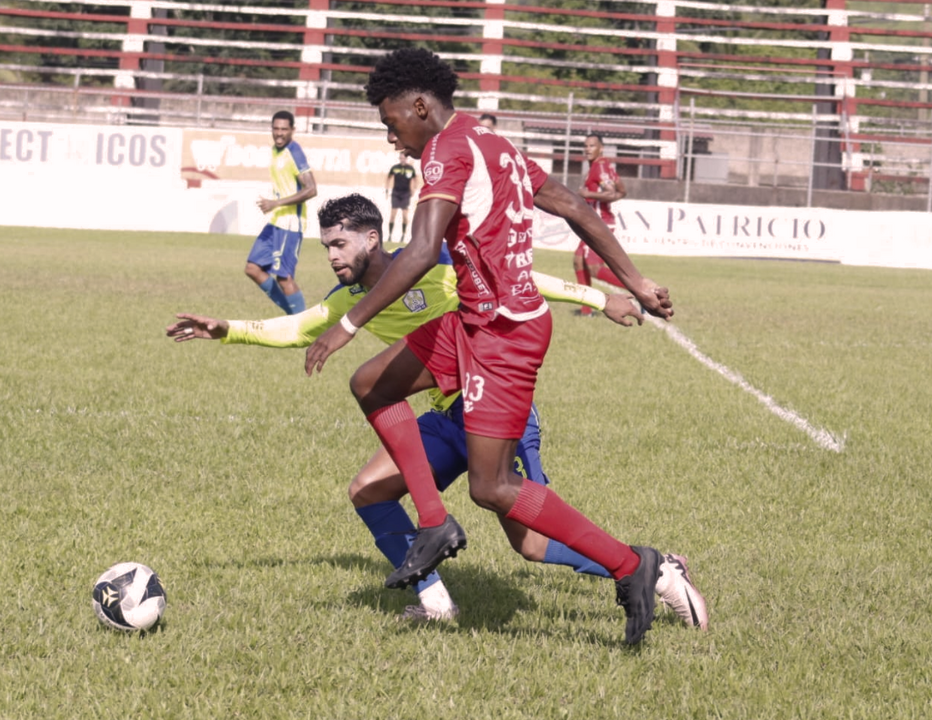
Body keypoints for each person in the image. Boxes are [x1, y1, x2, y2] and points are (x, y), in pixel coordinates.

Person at [166, 193, 708, 630]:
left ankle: (658, 571)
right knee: (368, 490)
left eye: (339, 244)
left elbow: (521, 283)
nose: (331, 256)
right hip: (448, 420)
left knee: (532, 543)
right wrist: (227, 329)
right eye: (326, 246)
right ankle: (435, 601)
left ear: (371, 239)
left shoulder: (434, 268)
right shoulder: (348, 300)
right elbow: (295, 329)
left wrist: (599, 298)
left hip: (498, 411)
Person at [302, 48, 681, 645]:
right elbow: (572, 205)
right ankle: (433, 523)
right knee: (371, 384)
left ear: (419, 105)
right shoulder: (491, 142)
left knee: (492, 487)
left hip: (504, 333)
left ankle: (632, 566)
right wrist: (633, 280)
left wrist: (346, 325)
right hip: (472, 320)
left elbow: (421, 251)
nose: (391, 137)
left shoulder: (446, 152)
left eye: (390, 122)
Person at [244, 110, 317, 315]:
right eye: (276, 129)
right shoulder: (276, 151)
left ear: (292, 130)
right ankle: (294, 317)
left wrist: (276, 203)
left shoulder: (294, 152)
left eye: (284, 129)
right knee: (253, 268)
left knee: (284, 278)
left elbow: (311, 189)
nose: (279, 133)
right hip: (277, 221)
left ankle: (303, 323)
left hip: (290, 224)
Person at [573, 132, 627, 316]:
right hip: (595, 221)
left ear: (601, 148)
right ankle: (586, 310)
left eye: (592, 146)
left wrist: (588, 195)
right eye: (586, 146)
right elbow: (621, 191)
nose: (588, 149)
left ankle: (639, 291)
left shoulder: (599, 167)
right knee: (578, 260)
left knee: (594, 268)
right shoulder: (601, 166)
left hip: (599, 223)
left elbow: (610, 192)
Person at [384, 152, 419, 244]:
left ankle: (403, 235)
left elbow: (415, 179)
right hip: (396, 193)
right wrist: (387, 189)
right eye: (401, 158)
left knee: (405, 216)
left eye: (404, 158)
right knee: (392, 215)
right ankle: (390, 235)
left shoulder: (410, 169)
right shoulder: (395, 168)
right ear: (399, 158)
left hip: (405, 194)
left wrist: (413, 189)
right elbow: (388, 177)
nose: (402, 160)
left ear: (406, 159)